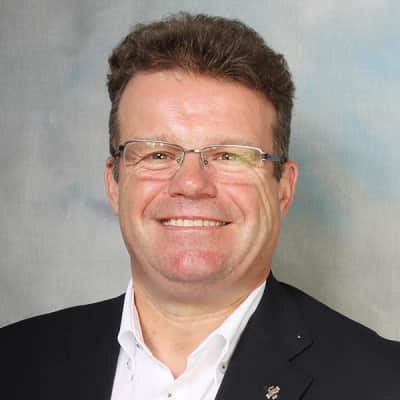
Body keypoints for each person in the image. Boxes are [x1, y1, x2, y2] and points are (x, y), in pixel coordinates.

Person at [1, 12, 399, 400]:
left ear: (283, 188)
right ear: (114, 183)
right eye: (157, 154)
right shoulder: (15, 361)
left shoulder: (383, 382)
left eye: (229, 155)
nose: (191, 184)